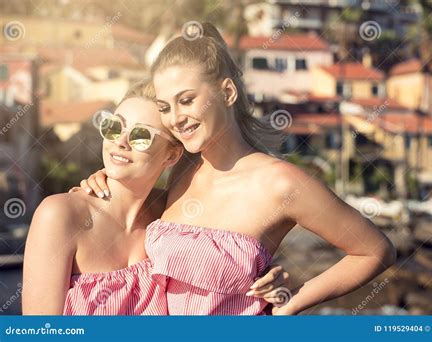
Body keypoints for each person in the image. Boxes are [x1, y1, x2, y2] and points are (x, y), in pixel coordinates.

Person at [76, 22, 397, 315]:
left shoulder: (281, 182)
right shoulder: (182, 169)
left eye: (187, 100)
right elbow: (131, 219)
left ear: (227, 92)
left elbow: (374, 251)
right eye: (165, 106)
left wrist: (292, 300)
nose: (175, 117)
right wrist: (106, 182)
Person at [23, 79, 287, 315]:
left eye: (140, 135)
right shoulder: (60, 215)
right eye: (114, 127)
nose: (121, 141)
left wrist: (265, 282)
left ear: (172, 155)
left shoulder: (174, 219)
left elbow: (228, 268)